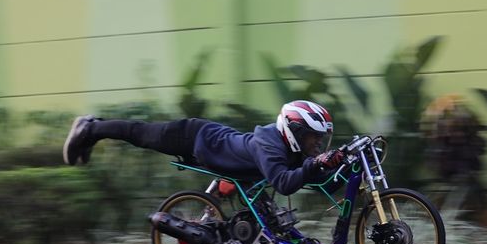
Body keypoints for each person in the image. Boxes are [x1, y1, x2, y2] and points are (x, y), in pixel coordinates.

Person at [63, 99, 344, 198]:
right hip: (194, 136)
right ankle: (89, 129)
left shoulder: (289, 148)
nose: (317, 143)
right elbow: (284, 184)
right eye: (313, 137)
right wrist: (316, 163)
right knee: (141, 134)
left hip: (221, 144)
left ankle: (91, 133)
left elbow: (322, 182)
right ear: (295, 131)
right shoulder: (269, 146)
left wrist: (343, 163)